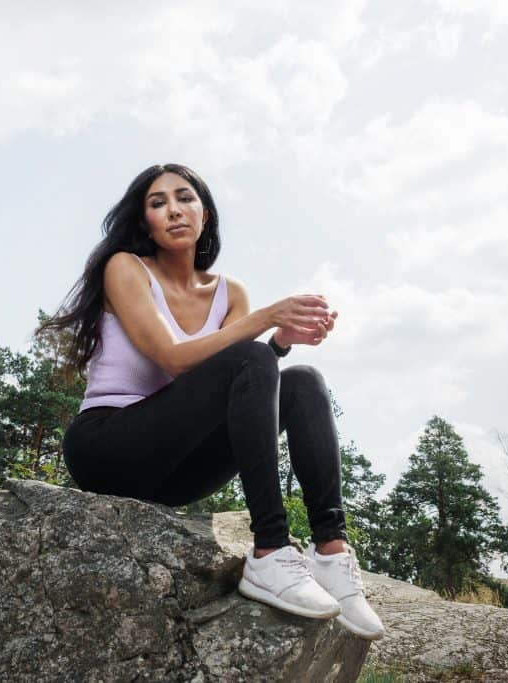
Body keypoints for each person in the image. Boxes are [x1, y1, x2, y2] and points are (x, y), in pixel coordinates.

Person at [37, 163, 384, 640]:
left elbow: (241, 384)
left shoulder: (229, 292)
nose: (174, 210)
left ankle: (331, 552)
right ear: (145, 223)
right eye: (158, 203)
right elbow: (174, 359)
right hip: (110, 448)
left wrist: (279, 343)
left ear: (205, 214)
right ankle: (269, 551)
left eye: (185, 198)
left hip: (179, 470)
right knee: (251, 356)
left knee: (302, 381)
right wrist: (267, 318)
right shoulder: (126, 268)